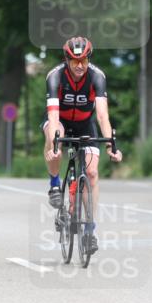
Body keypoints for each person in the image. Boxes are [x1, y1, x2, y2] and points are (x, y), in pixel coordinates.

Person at [42, 37, 123, 255]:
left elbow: (103, 115)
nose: (80, 66)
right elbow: (53, 114)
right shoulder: (55, 76)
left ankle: (90, 230)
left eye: (84, 60)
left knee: (92, 172)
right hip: (61, 120)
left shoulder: (97, 76)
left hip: (85, 124)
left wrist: (110, 146)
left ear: (89, 59)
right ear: (66, 59)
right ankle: (54, 184)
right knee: (53, 134)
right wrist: (55, 144)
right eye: (75, 61)